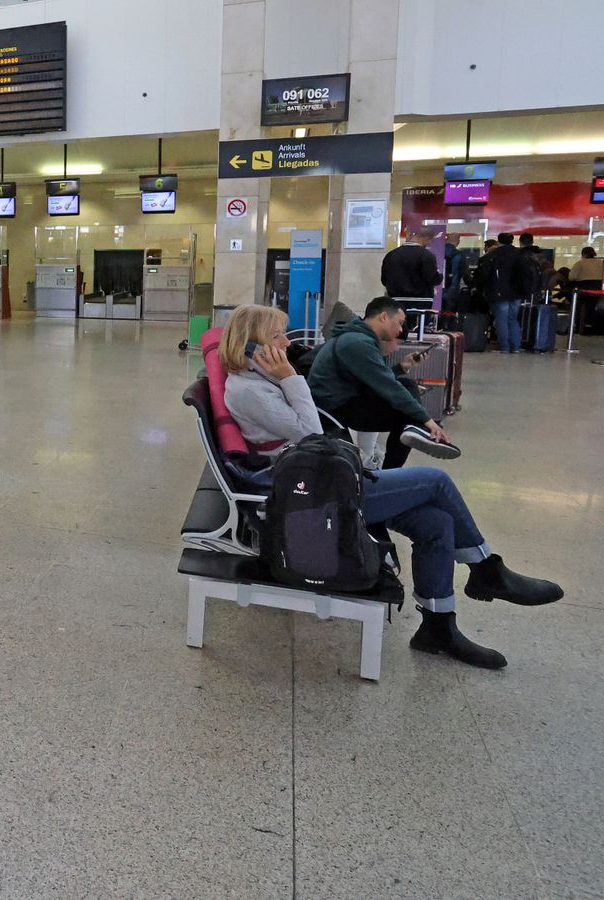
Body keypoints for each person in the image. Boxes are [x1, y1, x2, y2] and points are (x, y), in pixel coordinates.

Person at [220, 305, 563, 669]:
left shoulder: (260, 379)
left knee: (436, 523)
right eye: (277, 336)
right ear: (250, 345)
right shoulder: (250, 390)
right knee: (436, 480)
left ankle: (437, 626)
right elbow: (311, 431)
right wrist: (291, 377)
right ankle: (486, 569)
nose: (287, 343)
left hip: (320, 478)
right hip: (310, 496)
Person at [308, 297, 456, 469]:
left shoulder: (355, 338)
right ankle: (394, 469)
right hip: (334, 409)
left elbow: (375, 379)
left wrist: (401, 368)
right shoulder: (357, 342)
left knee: (406, 392)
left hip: (341, 401)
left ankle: (413, 434)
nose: (400, 329)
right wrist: (427, 420)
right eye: (399, 322)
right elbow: (388, 386)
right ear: (384, 317)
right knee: (405, 410)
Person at [472, 232, 533, 353]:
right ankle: (515, 346)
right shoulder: (520, 255)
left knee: (501, 319)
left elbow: (484, 274)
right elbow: (527, 274)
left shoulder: (493, 255)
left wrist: (475, 285)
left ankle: (504, 346)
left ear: (499, 241)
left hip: (498, 292)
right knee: (513, 318)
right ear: (512, 241)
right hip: (516, 293)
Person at [380, 229, 442, 299]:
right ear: (426, 238)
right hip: (421, 300)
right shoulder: (427, 255)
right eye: (431, 240)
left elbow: (384, 280)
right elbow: (432, 278)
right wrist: (439, 276)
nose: (430, 243)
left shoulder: (391, 255)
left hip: (395, 300)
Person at [569, 246, 603, 335]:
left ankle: (576, 326)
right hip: (596, 288)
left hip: (582, 288)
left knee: (577, 308)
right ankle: (589, 327)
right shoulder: (601, 263)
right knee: (591, 308)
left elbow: (572, 277)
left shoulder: (580, 263)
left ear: (583, 254)